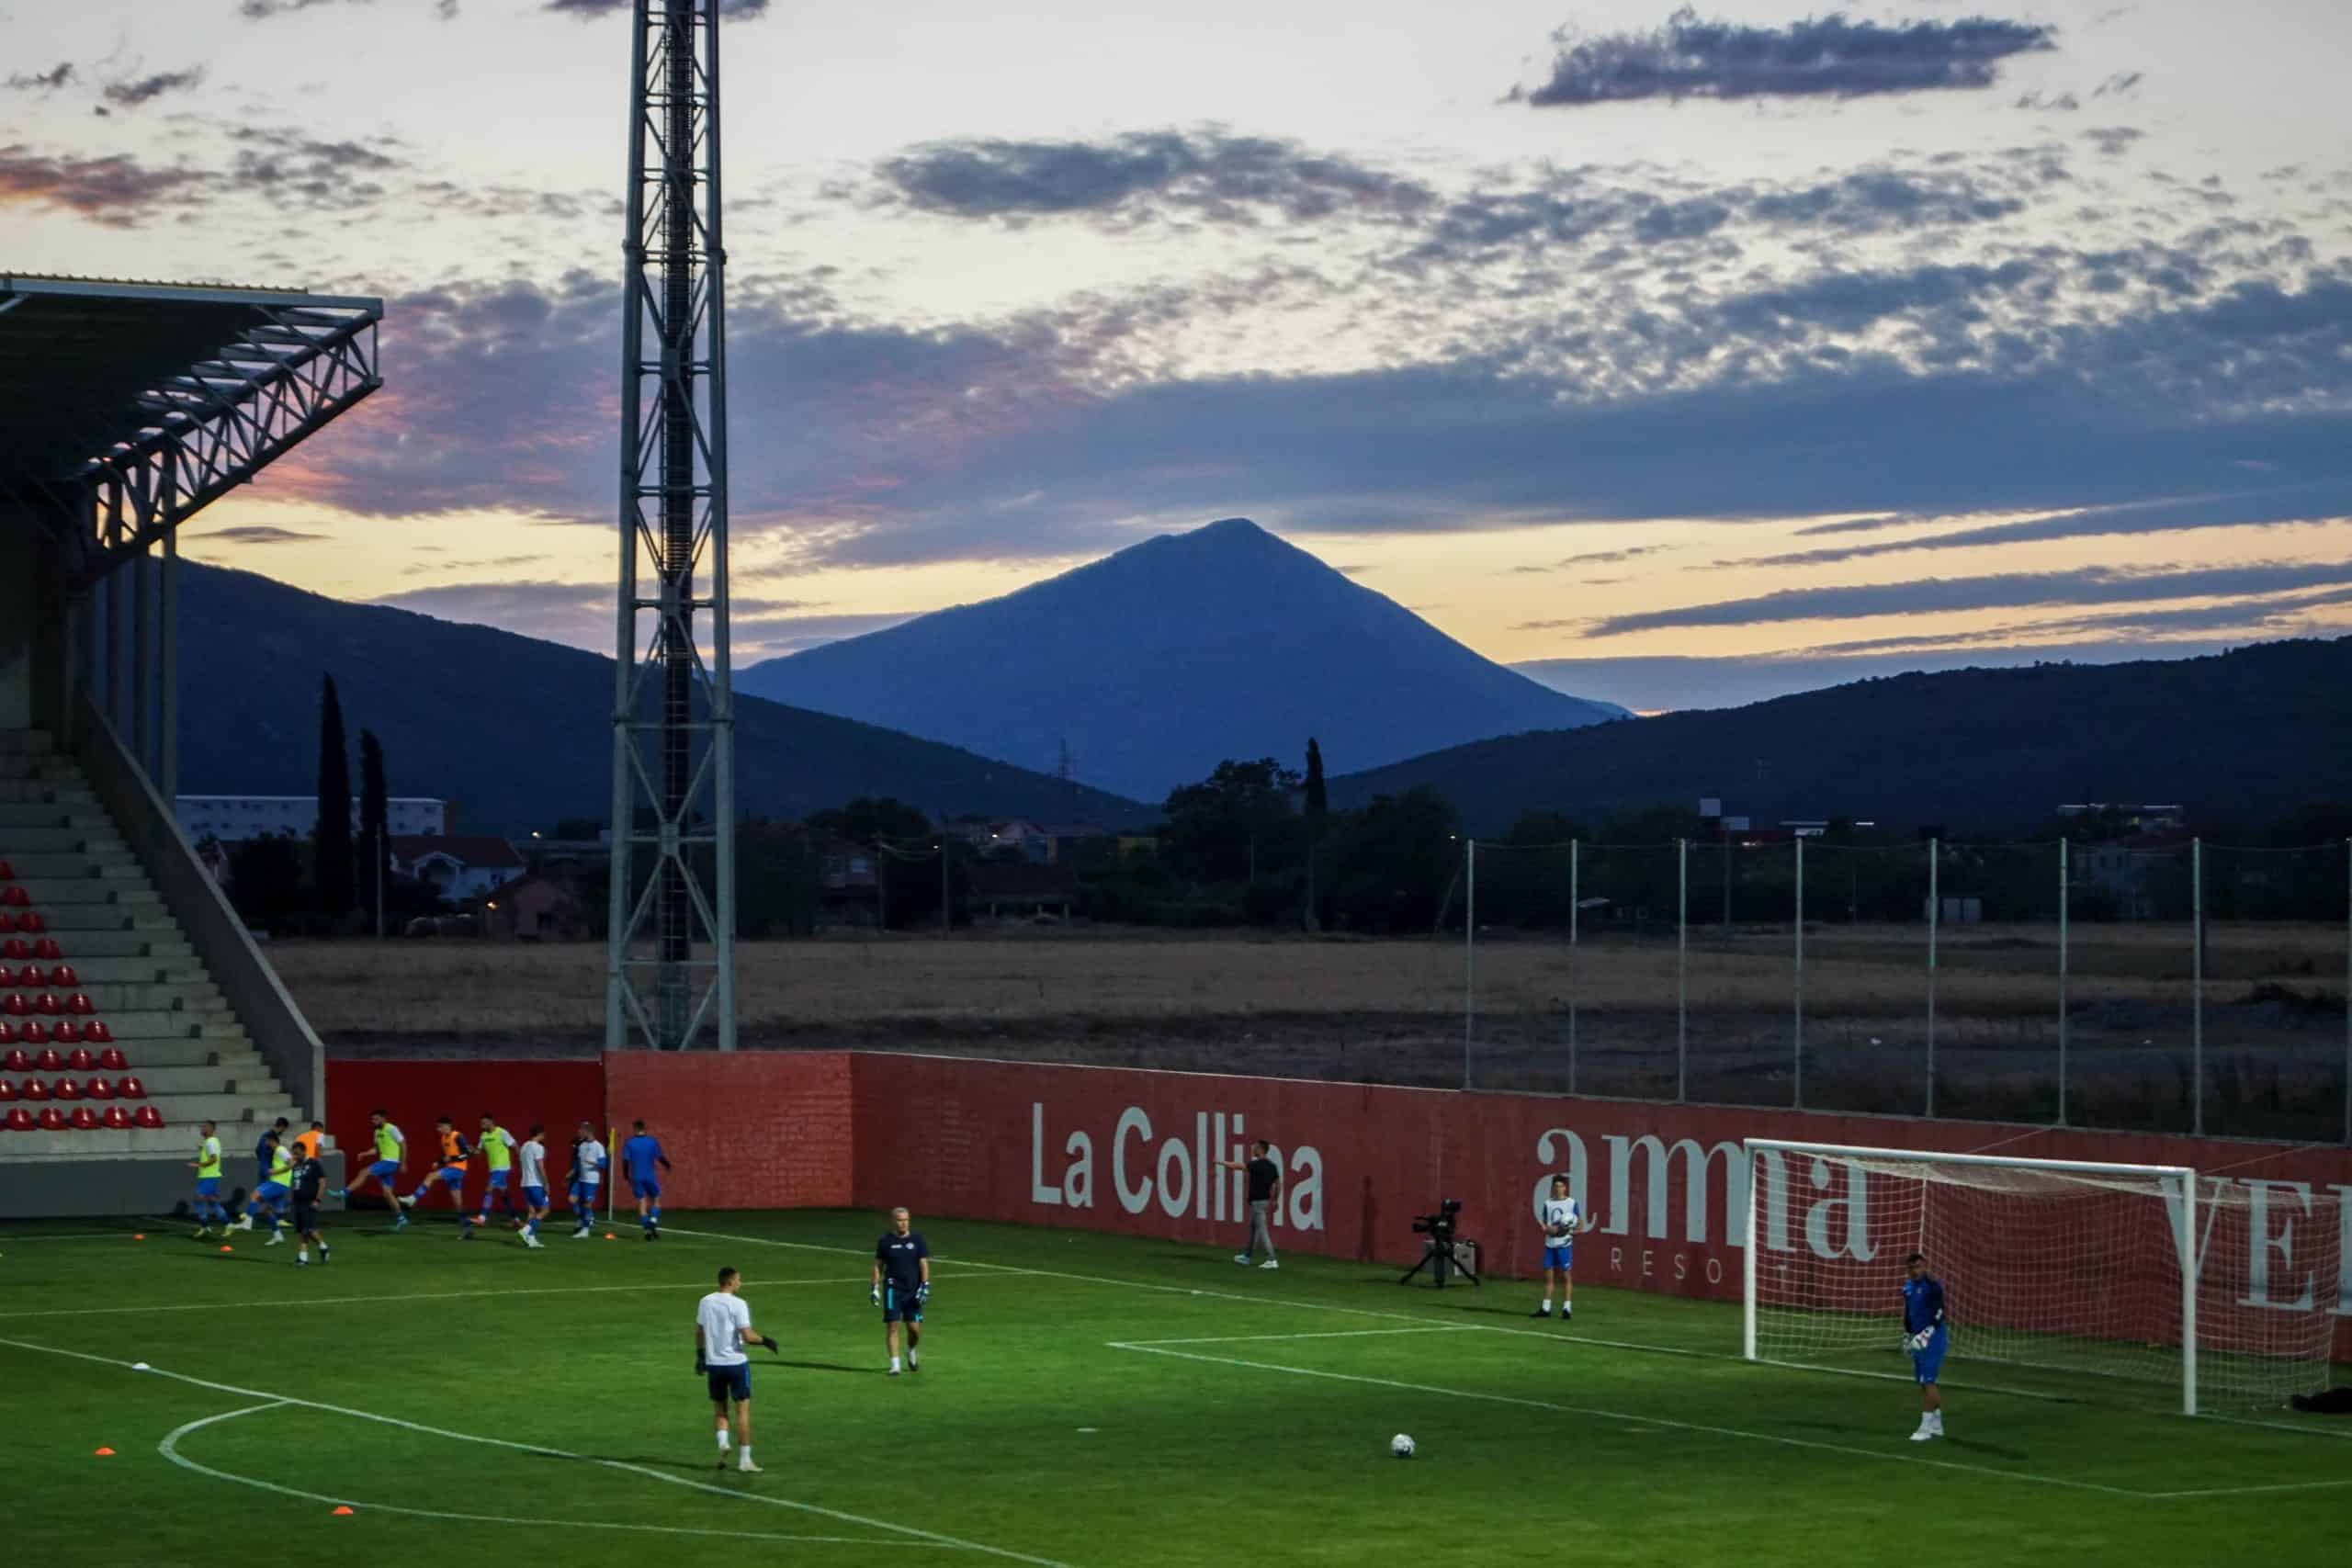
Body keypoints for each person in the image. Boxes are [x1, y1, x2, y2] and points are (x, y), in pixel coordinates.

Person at [695, 1266, 779, 1472]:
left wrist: (700, 1356)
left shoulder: (705, 1301)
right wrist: (766, 1341)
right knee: (742, 1412)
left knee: (720, 1408)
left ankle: (723, 1442)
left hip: (714, 1365)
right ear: (730, 1281)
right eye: (739, 1280)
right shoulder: (738, 1304)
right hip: (736, 1364)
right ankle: (745, 1460)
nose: (740, 1283)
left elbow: (700, 1331)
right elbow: (748, 1337)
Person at [871, 1206, 932, 1376]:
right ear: (893, 1221)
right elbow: (878, 1266)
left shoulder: (917, 1240)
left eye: (906, 1220)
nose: (903, 1223)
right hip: (893, 1289)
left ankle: (911, 1350)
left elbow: (923, 1264)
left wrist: (925, 1285)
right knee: (893, 1326)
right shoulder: (885, 1241)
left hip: (912, 1290)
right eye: (899, 1220)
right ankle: (895, 1365)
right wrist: (874, 1287)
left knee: (914, 1330)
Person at [1214, 1139, 1282, 1269]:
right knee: (1253, 1229)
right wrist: (1275, 1199)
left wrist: (1220, 1162)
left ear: (1260, 1149)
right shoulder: (1272, 1166)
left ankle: (1272, 1259)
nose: (1252, 1148)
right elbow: (1278, 1184)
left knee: (1262, 1230)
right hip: (1264, 1202)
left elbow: (1237, 1166)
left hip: (1257, 1203)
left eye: (1255, 1147)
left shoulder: (1256, 1164)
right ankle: (1247, 1257)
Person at [1903, 1251, 1949, 1441]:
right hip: (1918, 1338)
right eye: (1911, 1268)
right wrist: (1907, 1335)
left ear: (1924, 1266)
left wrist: (1928, 1332)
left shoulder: (1932, 1286)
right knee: (1923, 1382)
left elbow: (1940, 1311)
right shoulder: (1907, 1288)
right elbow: (1908, 1313)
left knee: (1928, 1381)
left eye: (1918, 1267)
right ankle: (1937, 1424)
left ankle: (1925, 1429)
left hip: (1934, 1337)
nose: (1915, 1271)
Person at [401, 1116, 473, 1235]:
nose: (438, 1129)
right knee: (458, 1203)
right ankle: (468, 1230)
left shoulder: (457, 1136)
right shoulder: (443, 1138)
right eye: (437, 1127)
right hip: (452, 1169)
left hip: (458, 1169)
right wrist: (438, 1162)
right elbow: (447, 1156)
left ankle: (413, 1198)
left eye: (440, 1127)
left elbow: (468, 1154)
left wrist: (452, 1159)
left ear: (448, 1126)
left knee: (430, 1176)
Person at [334, 1109, 404, 1217]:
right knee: (387, 1193)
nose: (373, 1121)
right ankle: (401, 1218)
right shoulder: (376, 1132)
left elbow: (403, 1145)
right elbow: (376, 1150)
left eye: (376, 1119)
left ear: (383, 1119)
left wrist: (403, 1163)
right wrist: (364, 1154)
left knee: (364, 1172)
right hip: (385, 1163)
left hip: (390, 1162)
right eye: (372, 1119)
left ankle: (344, 1193)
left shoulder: (392, 1128)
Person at [1533, 1174, 1582, 1322]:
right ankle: (1546, 1308)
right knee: (1549, 1277)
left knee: (1566, 1276)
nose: (1558, 1189)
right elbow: (1544, 1224)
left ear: (1565, 1188)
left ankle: (1567, 1309)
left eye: (1561, 1186)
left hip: (1564, 1246)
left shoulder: (1571, 1203)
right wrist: (1547, 1229)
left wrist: (1568, 1231)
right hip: (1550, 1245)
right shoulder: (1548, 1203)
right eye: (1555, 1186)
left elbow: (1580, 1226)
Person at [234, 1117, 290, 1231]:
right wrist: (271, 1166)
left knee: (260, 1195)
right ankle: (276, 1226)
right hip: (272, 1173)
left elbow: (258, 1151)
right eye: (284, 1129)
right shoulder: (274, 1142)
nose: (267, 1143)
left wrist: (266, 1164)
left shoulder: (274, 1144)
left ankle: (249, 1217)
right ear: (282, 1127)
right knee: (264, 1199)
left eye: (268, 1142)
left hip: (273, 1175)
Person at [240, 1132, 294, 1245]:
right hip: (281, 1184)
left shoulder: (280, 1150)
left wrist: (275, 1171)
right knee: (267, 1210)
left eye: (267, 1141)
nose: (266, 1143)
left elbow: (291, 1163)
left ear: (272, 1141)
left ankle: (247, 1223)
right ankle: (278, 1236)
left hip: (278, 1183)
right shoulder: (277, 1151)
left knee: (255, 1194)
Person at [620, 1120, 672, 1240]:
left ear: (634, 1129)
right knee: (656, 1200)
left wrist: (626, 1175)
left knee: (642, 1202)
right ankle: (653, 1221)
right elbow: (660, 1157)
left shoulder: (629, 1143)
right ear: (644, 1128)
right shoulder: (651, 1142)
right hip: (650, 1176)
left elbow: (625, 1161)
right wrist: (668, 1165)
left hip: (636, 1177)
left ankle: (647, 1231)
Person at [289, 1135, 330, 1267]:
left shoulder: (313, 1163)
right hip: (297, 1202)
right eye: (293, 1153)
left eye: (297, 1153)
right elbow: (295, 1183)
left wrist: (317, 1200)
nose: (295, 1156)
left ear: (304, 1151)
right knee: (307, 1230)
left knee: (305, 1230)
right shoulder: (296, 1165)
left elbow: (322, 1182)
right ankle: (323, 1247)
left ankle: (303, 1258)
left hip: (309, 1201)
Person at [474, 1114, 519, 1230]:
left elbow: (515, 1145)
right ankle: (515, 1219)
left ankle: (482, 1218)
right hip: (493, 1169)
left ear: (491, 1122)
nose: (482, 1125)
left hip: (503, 1167)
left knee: (489, 1188)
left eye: (484, 1123)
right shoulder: (483, 1136)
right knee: (504, 1194)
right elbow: (478, 1152)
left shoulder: (502, 1132)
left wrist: (521, 1160)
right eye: (481, 1123)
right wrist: (473, 1151)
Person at [188, 1119, 228, 1237]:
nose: (202, 1129)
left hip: (209, 1176)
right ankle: (227, 1224)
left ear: (211, 1129)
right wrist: (202, 1148)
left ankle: (205, 1225)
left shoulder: (211, 1142)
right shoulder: (209, 1142)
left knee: (198, 1198)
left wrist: (199, 1165)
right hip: (208, 1176)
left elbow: (214, 1158)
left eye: (205, 1127)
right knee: (212, 1201)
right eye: (202, 1127)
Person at [514, 1123, 550, 1249]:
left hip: (525, 1183)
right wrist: (546, 1183)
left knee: (532, 1212)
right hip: (536, 1184)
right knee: (545, 1210)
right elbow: (540, 1167)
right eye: (543, 1134)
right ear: (540, 1134)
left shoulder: (524, 1146)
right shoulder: (538, 1147)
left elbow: (522, 1165)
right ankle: (526, 1230)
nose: (544, 1136)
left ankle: (531, 1239)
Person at [570, 1121, 607, 1239]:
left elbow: (604, 1164)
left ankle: (585, 1230)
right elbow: (578, 1163)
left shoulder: (598, 1146)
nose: (580, 1132)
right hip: (580, 1179)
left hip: (591, 1180)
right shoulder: (582, 1146)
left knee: (587, 1204)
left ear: (588, 1132)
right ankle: (585, 1219)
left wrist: (594, 1163)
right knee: (572, 1199)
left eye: (582, 1130)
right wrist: (571, 1174)